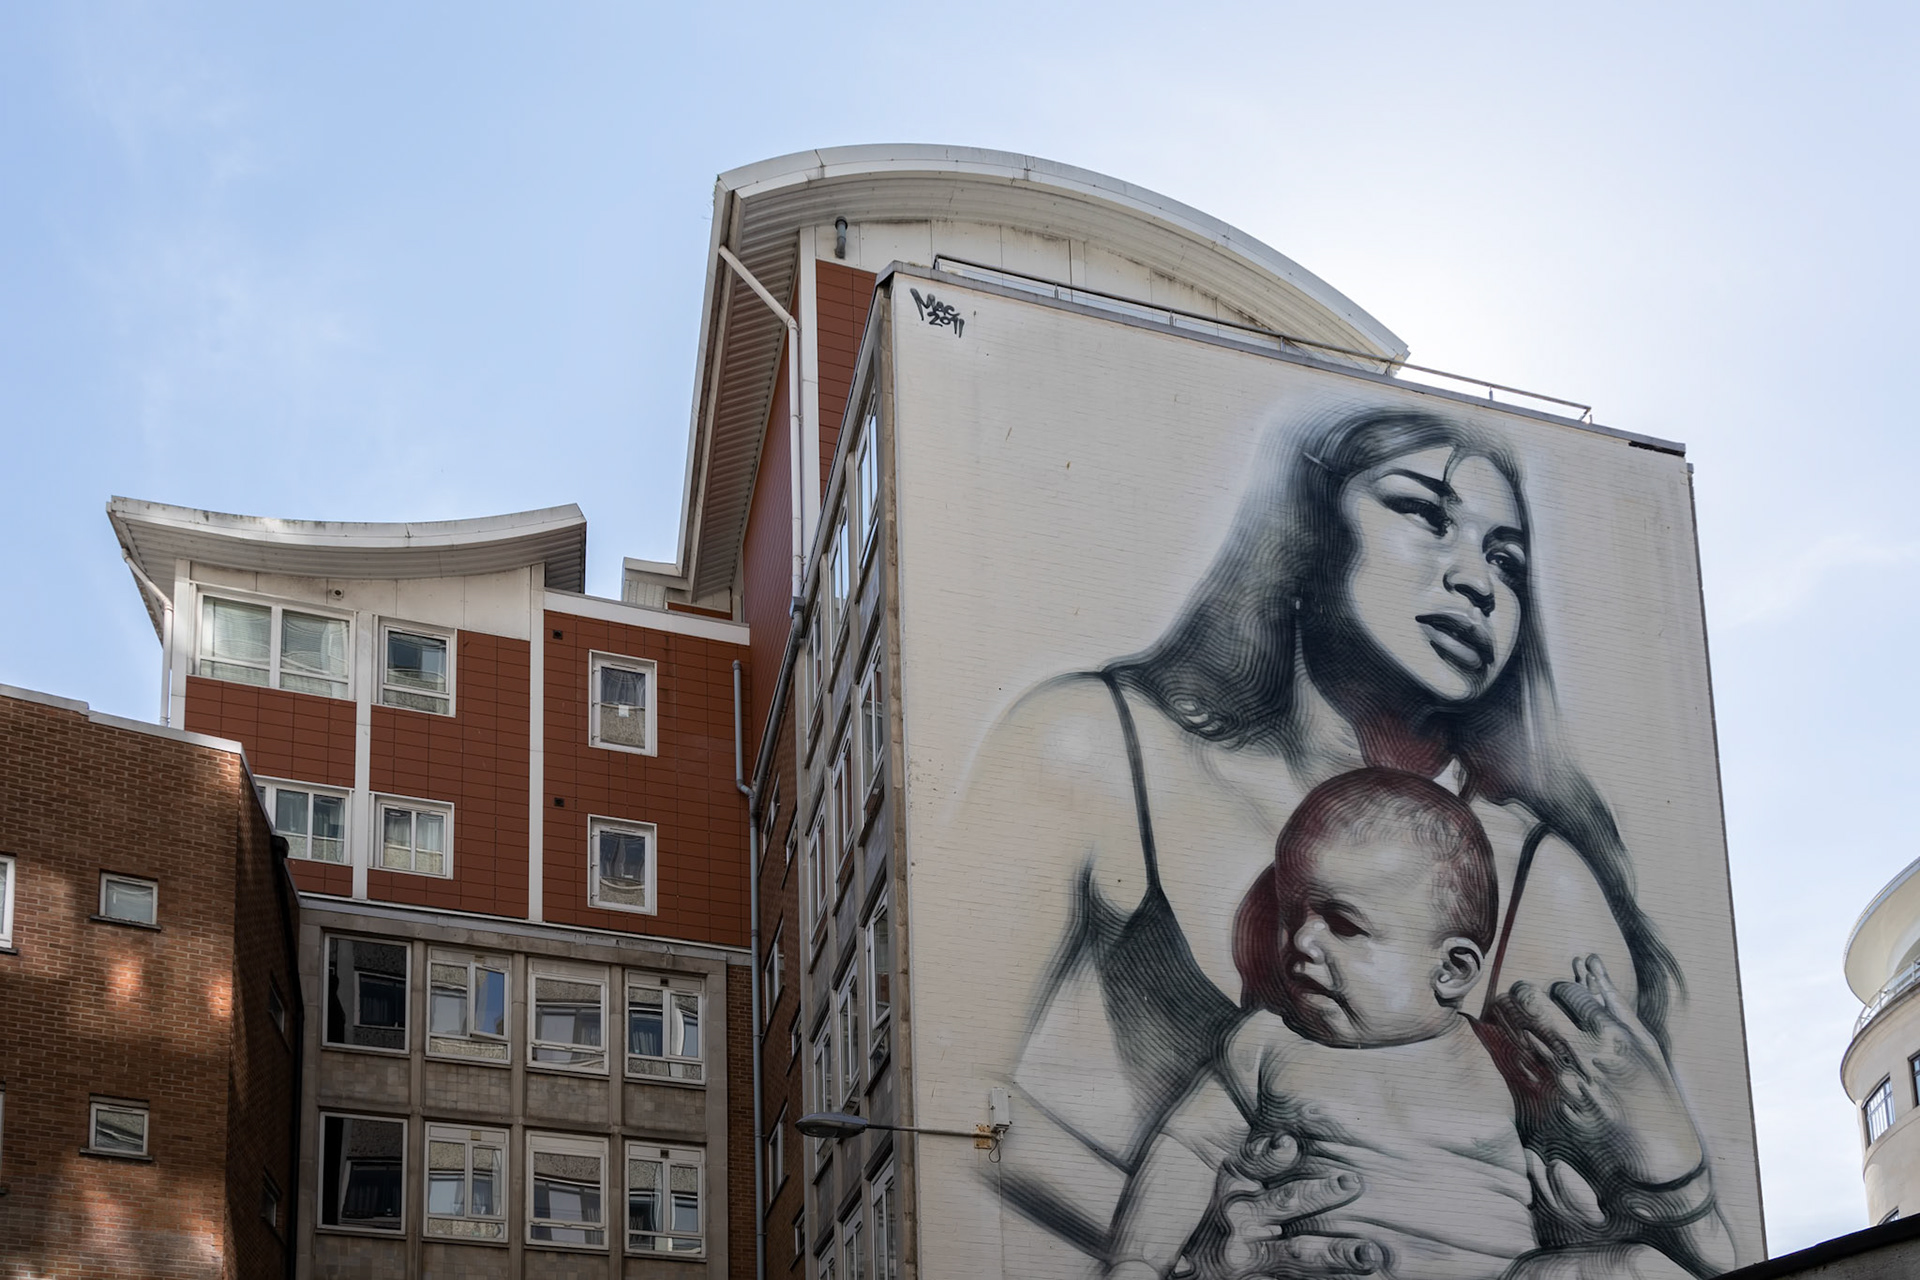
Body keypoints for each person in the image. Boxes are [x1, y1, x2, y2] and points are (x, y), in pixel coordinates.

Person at [968, 405, 1735, 1278]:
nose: (1479, 583)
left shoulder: (1540, 881)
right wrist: (1187, 1259)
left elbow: (1682, 1262)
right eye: (1424, 512)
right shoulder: (1093, 745)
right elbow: (943, 1111)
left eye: (1508, 562)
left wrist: (1677, 1171)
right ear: (1303, 533)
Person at [1107, 769, 1534, 1280]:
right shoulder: (1271, 1044)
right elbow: (1187, 1150)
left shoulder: (1499, 1059)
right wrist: (1137, 1264)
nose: (1302, 941)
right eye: (1294, 913)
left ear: (1451, 970)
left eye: (1344, 923)